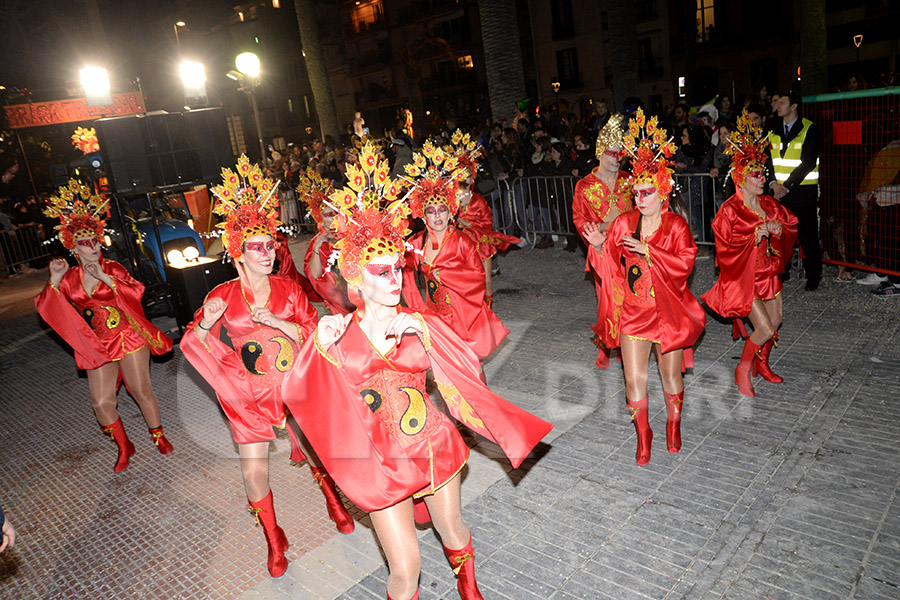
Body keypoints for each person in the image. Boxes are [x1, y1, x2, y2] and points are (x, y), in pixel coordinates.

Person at [280, 143, 553, 599]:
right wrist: (317, 349)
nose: (393, 279)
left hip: (431, 445)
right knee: (406, 570)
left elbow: (468, 369)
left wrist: (428, 336)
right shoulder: (336, 332)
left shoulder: (419, 323)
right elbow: (297, 393)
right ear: (355, 280)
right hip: (379, 463)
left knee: (453, 531)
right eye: (380, 271)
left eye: (396, 269)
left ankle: (469, 588)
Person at [180, 157, 354, 579]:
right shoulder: (221, 294)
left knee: (318, 453)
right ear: (238, 254)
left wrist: (279, 323)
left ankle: (331, 496)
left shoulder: (289, 290)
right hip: (247, 395)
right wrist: (205, 322)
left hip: (294, 385)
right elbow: (193, 343)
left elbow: (315, 336)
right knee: (253, 471)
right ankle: (275, 539)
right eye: (256, 246)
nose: (269, 252)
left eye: (270, 244)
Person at [589, 109, 706, 465]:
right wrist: (597, 246)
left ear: (663, 191)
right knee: (633, 382)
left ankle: (673, 422)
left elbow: (685, 265)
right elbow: (609, 263)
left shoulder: (675, 226)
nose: (640, 199)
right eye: (636, 192)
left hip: (667, 314)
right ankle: (643, 435)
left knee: (671, 376)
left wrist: (650, 251)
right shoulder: (624, 222)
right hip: (634, 315)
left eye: (648, 192)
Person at [34, 180, 174, 473]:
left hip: (127, 335)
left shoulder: (112, 268)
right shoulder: (69, 277)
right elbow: (49, 306)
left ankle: (158, 435)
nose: (92, 247)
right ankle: (125, 445)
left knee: (140, 390)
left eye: (95, 241)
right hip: (96, 342)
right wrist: (55, 279)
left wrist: (107, 279)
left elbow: (136, 290)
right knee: (100, 402)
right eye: (85, 243)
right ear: (73, 246)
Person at [702, 111, 799, 397]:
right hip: (745, 278)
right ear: (741, 178)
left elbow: (791, 223)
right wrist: (751, 237)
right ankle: (743, 368)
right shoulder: (729, 210)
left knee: (776, 320)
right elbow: (723, 246)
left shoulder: (769, 204)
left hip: (769, 273)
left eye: (762, 173)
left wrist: (778, 229)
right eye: (756, 175)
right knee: (765, 328)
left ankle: (762, 363)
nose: (761, 179)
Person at [402, 140, 510, 362]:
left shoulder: (461, 241)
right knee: (444, 373)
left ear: (450, 211)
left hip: (462, 316)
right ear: (423, 215)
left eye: (442, 210)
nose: (438, 216)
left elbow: (479, 277)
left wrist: (447, 276)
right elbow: (401, 273)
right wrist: (416, 307)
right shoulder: (416, 242)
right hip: (433, 316)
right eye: (431, 211)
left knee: (468, 368)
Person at [572, 114, 633, 368]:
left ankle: (626, 344)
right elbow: (582, 222)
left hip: (630, 248)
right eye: (611, 153)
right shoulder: (584, 186)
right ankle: (605, 346)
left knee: (631, 297)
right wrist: (613, 225)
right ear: (600, 152)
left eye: (620, 154)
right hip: (603, 250)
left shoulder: (629, 180)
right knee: (608, 299)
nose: (616, 159)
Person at [450, 131, 521, 305]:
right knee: (466, 282)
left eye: (467, 178)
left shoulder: (478, 200)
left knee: (487, 281)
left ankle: (488, 310)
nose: (464, 182)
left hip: (481, 244)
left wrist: (468, 224)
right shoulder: (452, 201)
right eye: (461, 178)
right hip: (461, 247)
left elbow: (487, 222)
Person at [769, 90, 822, 290]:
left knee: (807, 235)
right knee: (779, 235)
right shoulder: (773, 129)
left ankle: (813, 275)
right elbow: (769, 160)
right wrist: (774, 183)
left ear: (794, 106)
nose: (778, 105)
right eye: (777, 102)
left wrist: (786, 186)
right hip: (779, 192)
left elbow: (807, 163)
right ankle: (782, 272)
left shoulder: (809, 129)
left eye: (782, 102)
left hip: (802, 191)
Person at [297, 167, 356, 315]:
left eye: (336, 213)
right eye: (329, 215)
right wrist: (317, 247)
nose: (334, 217)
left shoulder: (352, 235)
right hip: (337, 303)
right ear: (320, 219)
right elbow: (315, 276)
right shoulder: (317, 243)